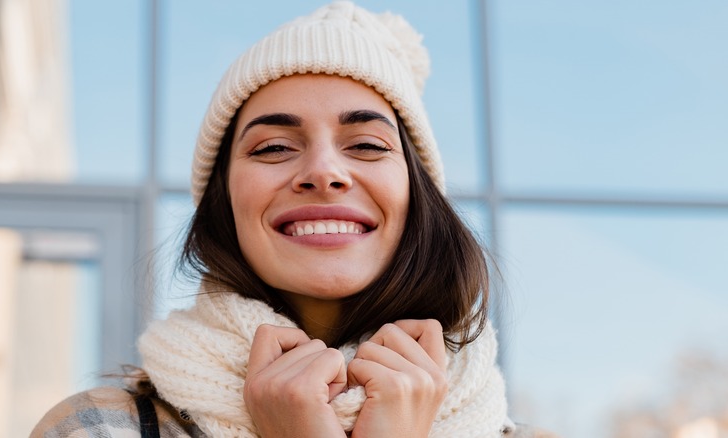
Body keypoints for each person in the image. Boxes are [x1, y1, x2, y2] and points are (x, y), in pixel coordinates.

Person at [33, 2, 547, 437]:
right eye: (274, 147)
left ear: (417, 196)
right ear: (223, 200)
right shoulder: (100, 426)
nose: (323, 172)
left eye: (367, 145)